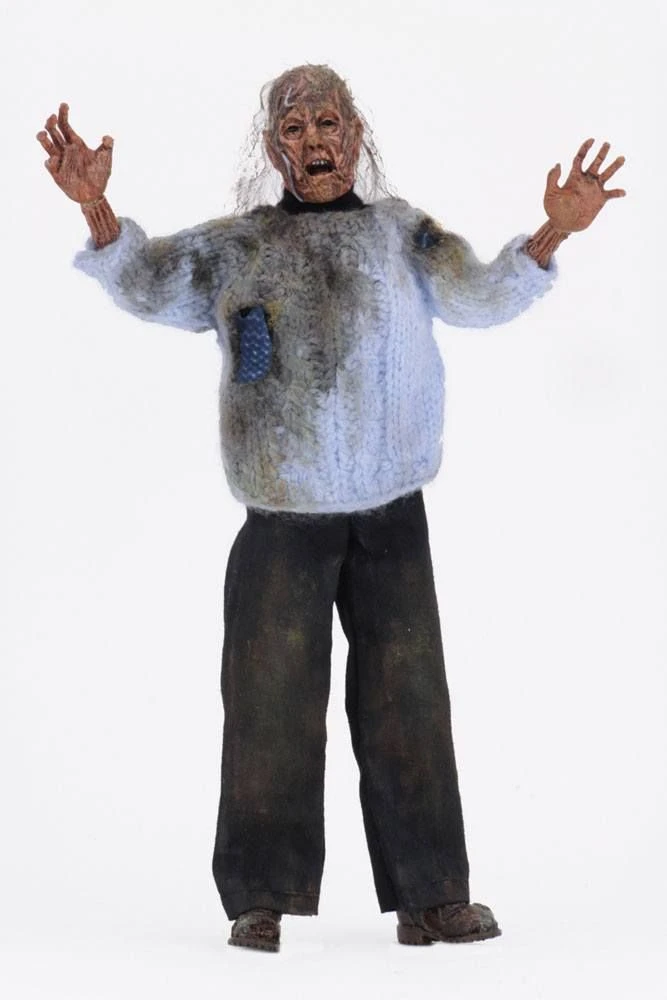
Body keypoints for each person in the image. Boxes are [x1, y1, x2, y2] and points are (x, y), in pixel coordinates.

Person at [37, 64, 626, 953]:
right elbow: (147, 281)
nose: (314, 141)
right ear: (272, 147)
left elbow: (477, 295)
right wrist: (94, 207)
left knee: (409, 701)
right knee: (268, 704)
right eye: (294, 127)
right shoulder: (239, 246)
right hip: (281, 519)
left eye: (328, 123)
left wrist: (552, 232)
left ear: (356, 134)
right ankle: (260, 896)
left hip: (392, 514)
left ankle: (431, 897)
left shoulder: (402, 234)